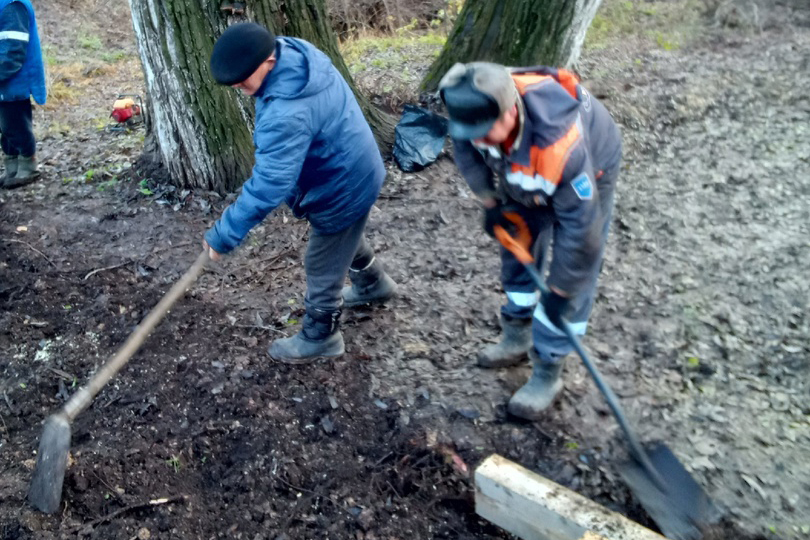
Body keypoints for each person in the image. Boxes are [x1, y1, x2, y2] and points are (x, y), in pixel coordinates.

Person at [438, 62, 622, 420]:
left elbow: (582, 237)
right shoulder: (472, 109)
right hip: (521, 161)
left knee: (573, 274)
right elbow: (466, 151)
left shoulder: (560, 148)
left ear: (510, 112)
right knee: (517, 237)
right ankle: (518, 333)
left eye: (485, 132)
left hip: (589, 166)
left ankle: (548, 369)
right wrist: (490, 201)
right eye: (471, 132)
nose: (478, 140)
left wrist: (562, 292)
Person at [203, 22, 396, 362]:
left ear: (268, 61)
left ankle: (322, 336)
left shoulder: (285, 112)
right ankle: (372, 284)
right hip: (356, 164)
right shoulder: (298, 54)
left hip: (341, 183)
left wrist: (224, 235)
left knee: (322, 262)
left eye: (243, 76)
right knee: (344, 236)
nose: (237, 84)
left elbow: (269, 183)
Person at [0, 0, 46, 189]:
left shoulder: (12, 6)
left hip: (15, 80)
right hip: (5, 82)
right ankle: (12, 167)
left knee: (15, 125)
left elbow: (13, 51)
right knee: (5, 127)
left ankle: (28, 165)